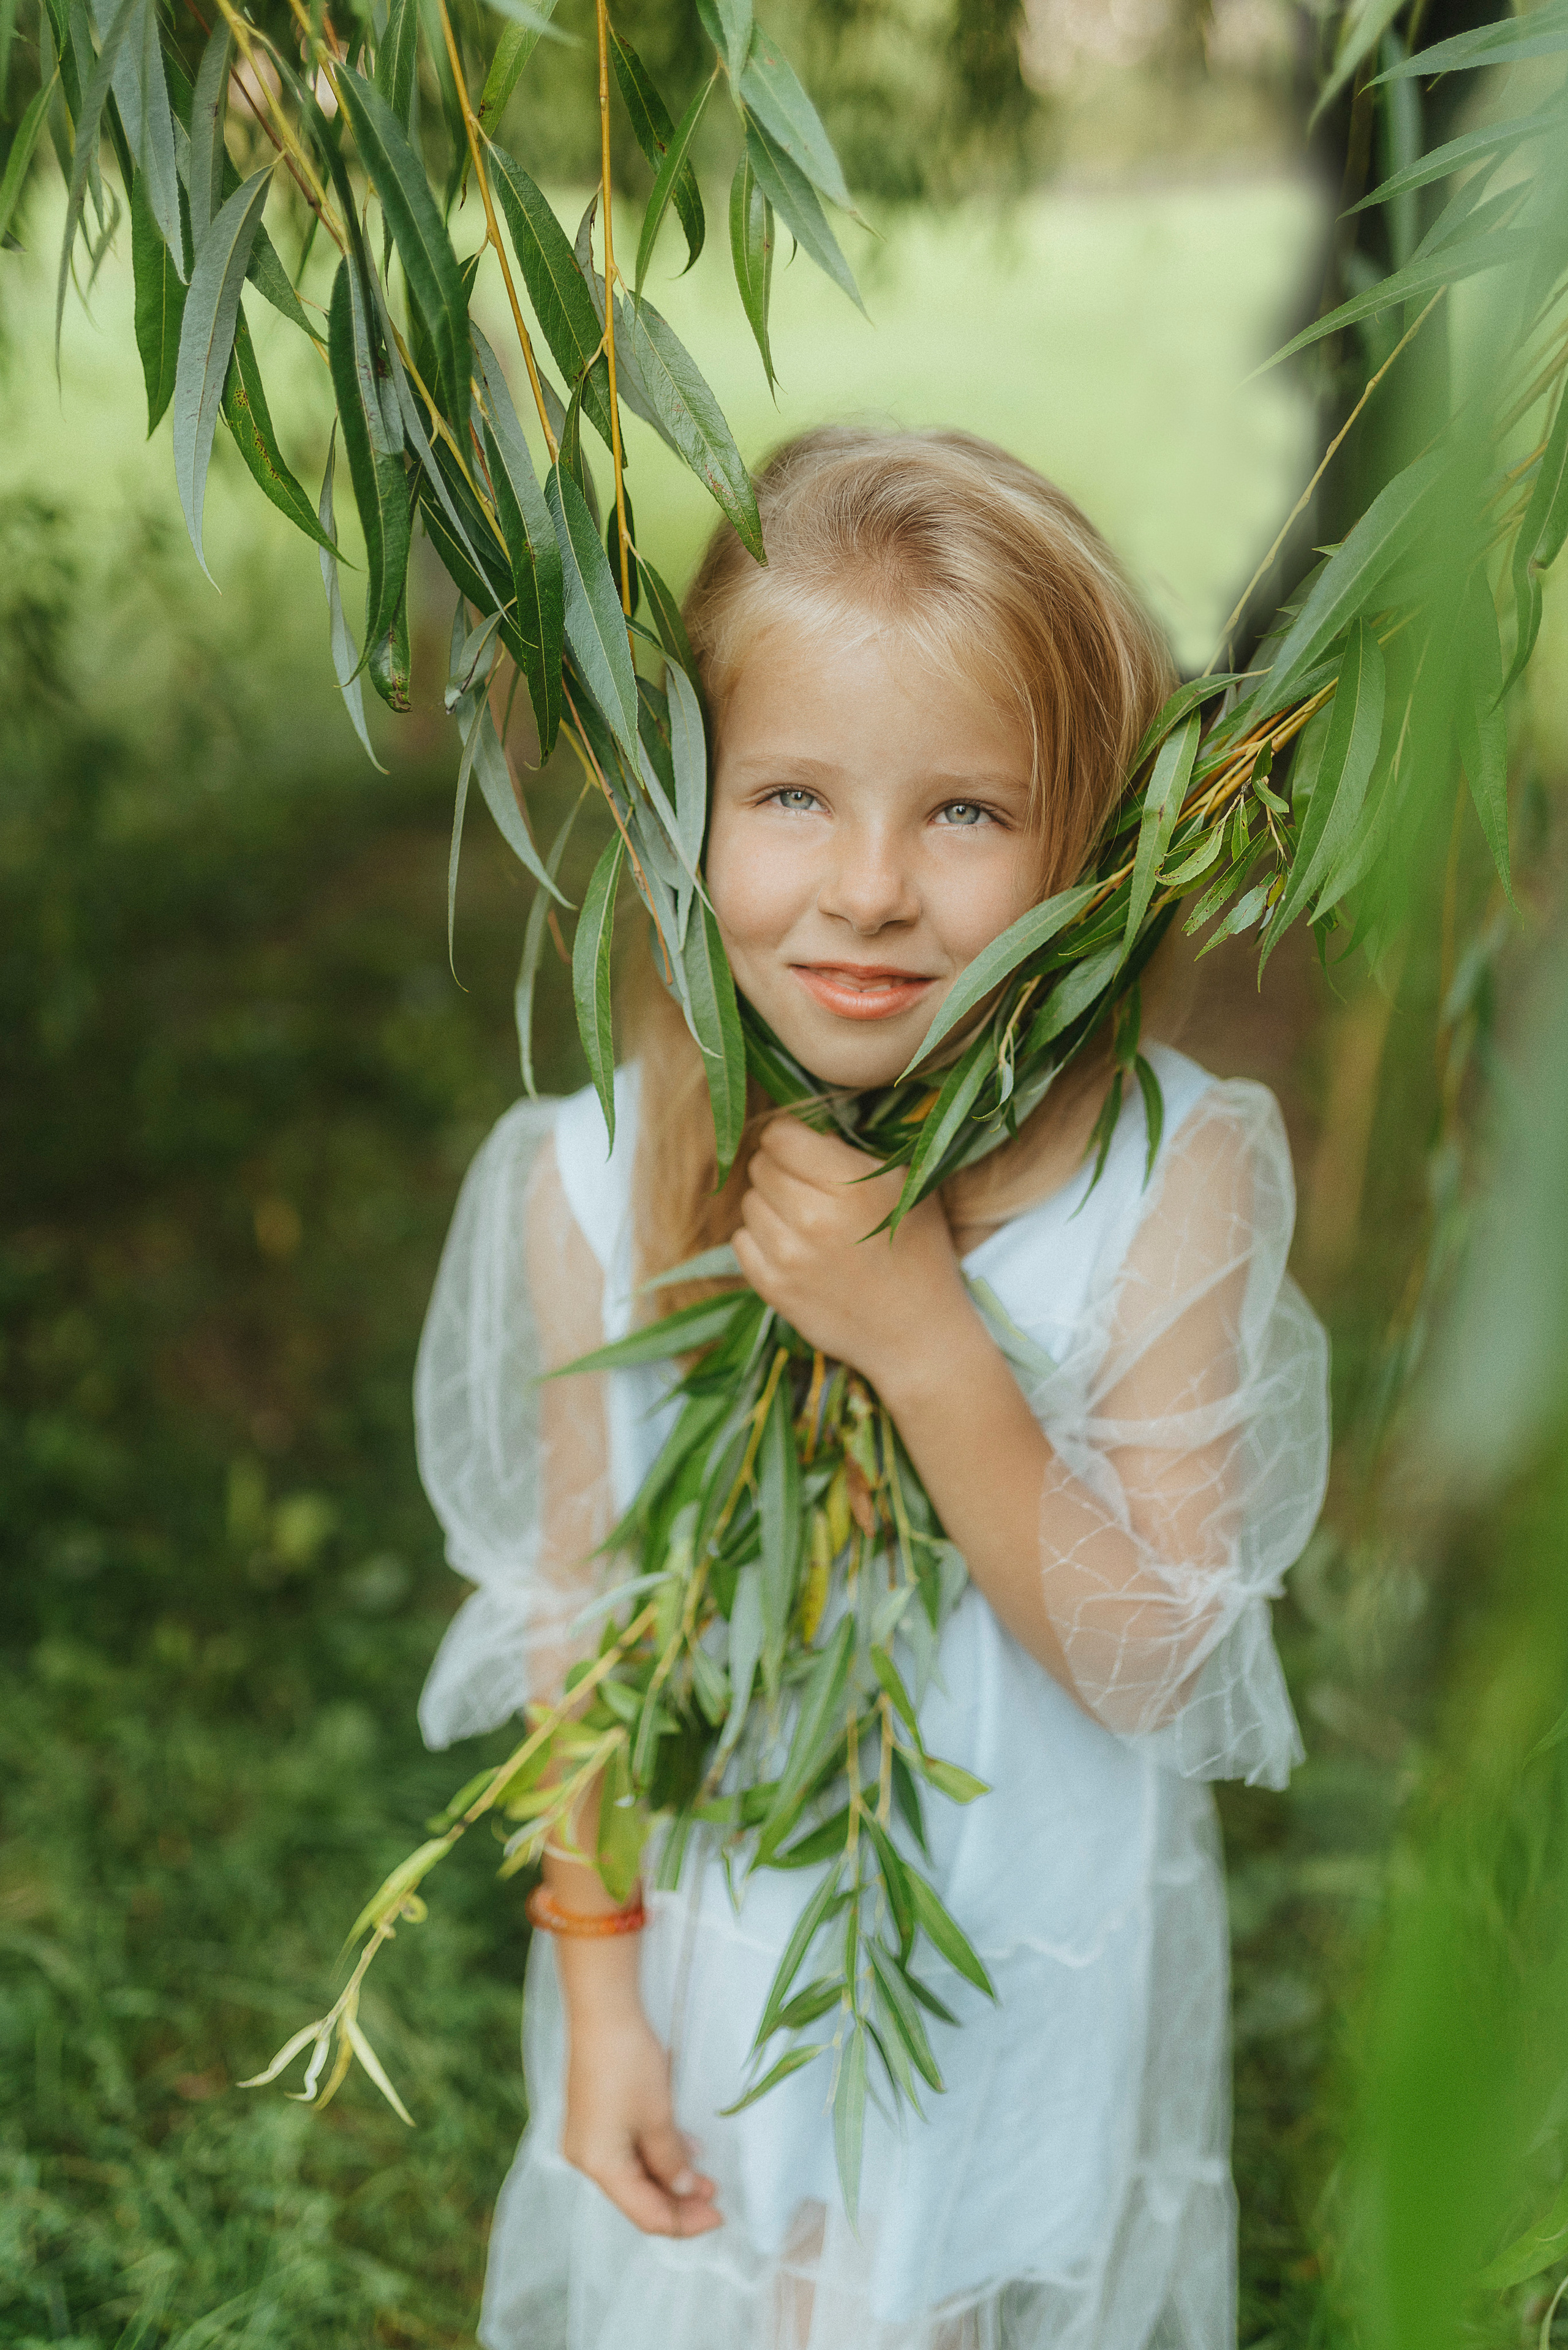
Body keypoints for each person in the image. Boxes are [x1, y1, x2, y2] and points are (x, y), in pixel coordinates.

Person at [412, 426, 1330, 2350]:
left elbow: (1158, 1657)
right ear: (687, 808)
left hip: (1007, 1966)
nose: (869, 891)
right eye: (795, 796)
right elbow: (591, 1629)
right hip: (723, 1953)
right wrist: (595, 2002)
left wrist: (926, 1344)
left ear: (1092, 849)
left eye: (968, 816)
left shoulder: (1170, 1179)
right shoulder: (598, 1177)